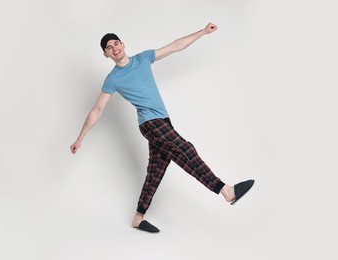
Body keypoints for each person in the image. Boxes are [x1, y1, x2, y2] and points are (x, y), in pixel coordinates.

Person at [70, 22, 254, 233]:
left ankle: (138, 218)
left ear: (122, 43)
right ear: (106, 54)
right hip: (149, 123)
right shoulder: (113, 79)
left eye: (116, 43)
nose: (115, 48)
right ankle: (225, 190)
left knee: (155, 172)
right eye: (109, 48)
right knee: (185, 148)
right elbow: (98, 109)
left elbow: (175, 46)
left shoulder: (143, 58)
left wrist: (203, 32)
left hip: (164, 121)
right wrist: (80, 138)